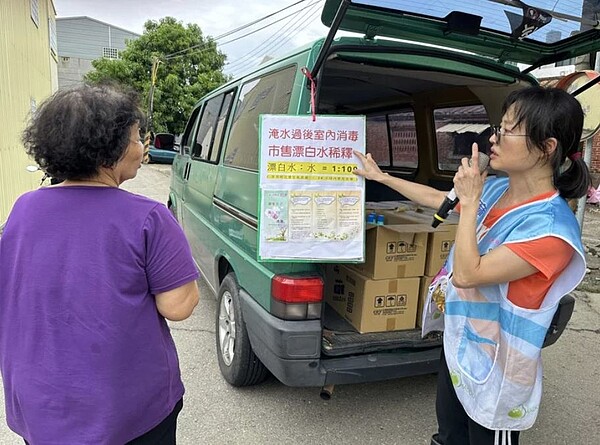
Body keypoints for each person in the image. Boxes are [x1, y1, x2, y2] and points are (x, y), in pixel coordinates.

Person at [353, 86, 590, 445]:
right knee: (449, 434)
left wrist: (471, 196)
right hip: (462, 346)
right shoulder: (497, 190)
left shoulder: (553, 229)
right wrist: (382, 178)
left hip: (501, 369)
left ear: (547, 146)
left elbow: (467, 274)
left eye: (509, 130)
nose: (494, 137)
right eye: (499, 126)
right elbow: (441, 201)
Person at [0, 84, 200, 444]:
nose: (143, 147)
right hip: (127, 410)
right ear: (111, 149)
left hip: (39, 404)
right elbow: (179, 306)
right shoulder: (149, 218)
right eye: (138, 137)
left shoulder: (22, 210)